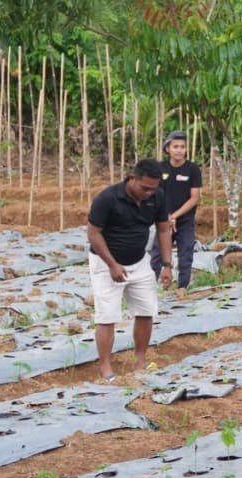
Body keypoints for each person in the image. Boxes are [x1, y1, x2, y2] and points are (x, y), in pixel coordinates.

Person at [87, 159, 173, 381]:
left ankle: (141, 360)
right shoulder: (107, 198)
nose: (148, 193)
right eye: (145, 188)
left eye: (153, 189)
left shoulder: (158, 196)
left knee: (146, 311)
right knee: (107, 316)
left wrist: (166, 265)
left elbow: (163, 231)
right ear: (132, 178)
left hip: (139, 262)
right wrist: (112, 265)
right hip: (106, 264)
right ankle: (105, 367)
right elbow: (94, 234)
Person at [151, 130, 203, 289]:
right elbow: (154, 194)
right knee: (157, 255)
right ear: (168, 149)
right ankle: (152, 288)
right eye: (175, 146)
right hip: (163, 221)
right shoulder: (160, 168)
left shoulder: (192, 169)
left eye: (182, 147)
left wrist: (174, 216)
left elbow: (194, 198)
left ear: (186, 149)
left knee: (186, 254)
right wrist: (165, 217)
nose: (179, 150)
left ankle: (182, 288)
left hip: (185, 220)